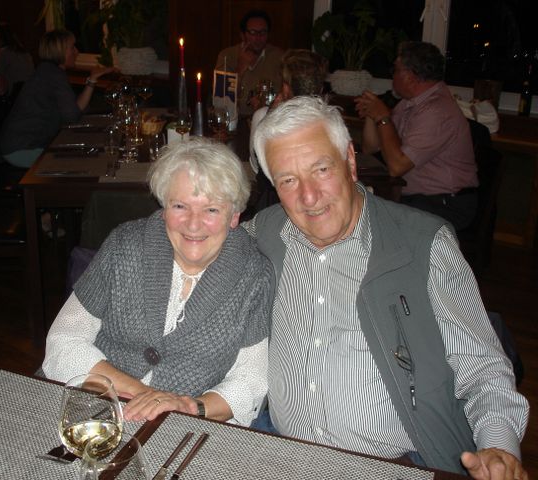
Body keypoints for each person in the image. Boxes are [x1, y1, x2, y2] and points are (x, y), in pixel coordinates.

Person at [247, 96, 529, 479]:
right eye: (288, 180)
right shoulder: (265, 232)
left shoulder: (423, 245)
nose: (308, 197)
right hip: (282, 453)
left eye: (321, 169)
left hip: (399, 464)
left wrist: (498, 448)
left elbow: (483, 369)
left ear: (350, 160)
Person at [42, 138, 274, 426]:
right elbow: (63, 340)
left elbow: (251, 380)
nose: (193, 224)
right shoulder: (125, 246)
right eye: (180, 206)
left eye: (211, 210)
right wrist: (144, 395)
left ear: (234, 215)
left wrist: (189, 408)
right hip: (97, 406)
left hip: (187, 426)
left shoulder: (254, 275)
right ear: (164, 207)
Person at [354, 41, 478, 231]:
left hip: (446, 203)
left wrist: (382, 117)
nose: (392, 76)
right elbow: (371, 148)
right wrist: (372, 115)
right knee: (357, 209)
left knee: (369, 223)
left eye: (396, 70)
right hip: (420, 198)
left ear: (410, 76)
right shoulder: (410, 104)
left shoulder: (436, 110)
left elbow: (397, 167)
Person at [0, 29, 114, 168]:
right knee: (85, 161)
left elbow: (75, 109)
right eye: (72, 47)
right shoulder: (53, 74)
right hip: (23, 148)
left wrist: (92, 79)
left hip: (20, 145)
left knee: (87, 152)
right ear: (60, 51)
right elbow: (72, 116)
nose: (77, 52)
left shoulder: (48, 70)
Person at [249, 48, 328, 211]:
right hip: (319, 202)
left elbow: (257, 166)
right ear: (320, 89)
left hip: (275, 206)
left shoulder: (264, 117)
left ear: (285, 88)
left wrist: (266, 114)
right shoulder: (331, 123)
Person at [215, 9, 284, 115]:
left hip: (267, 118)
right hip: (234, 118)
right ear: (242, 35)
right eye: (252, 32)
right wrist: (240, 68)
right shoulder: (227, 56)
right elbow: (222, 99)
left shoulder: (279, 57)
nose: (258, 37)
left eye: (263, 32)